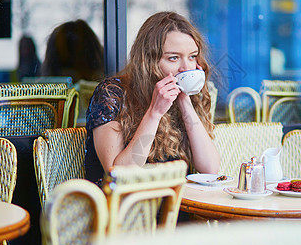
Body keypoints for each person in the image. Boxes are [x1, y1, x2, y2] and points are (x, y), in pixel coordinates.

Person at [85, 11, 220, 185]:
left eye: (192, 56)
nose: (186, 68)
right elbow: (119, 175)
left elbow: (210, 169)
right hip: (122, 207)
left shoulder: (186, 98)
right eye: (173, 58)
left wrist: (185, 101)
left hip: (174, 203)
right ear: (148, 62)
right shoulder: (112, 94)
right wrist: (154, 113)